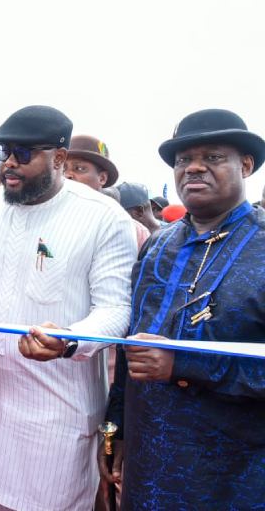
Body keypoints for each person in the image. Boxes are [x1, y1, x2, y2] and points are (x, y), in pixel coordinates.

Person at [0, 105, 137, 511]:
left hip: (57, 415)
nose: (9, 163)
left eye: (23, 154)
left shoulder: (104, 218)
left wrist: (69, 340)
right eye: (4, 151)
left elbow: (116, 310)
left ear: (59, 159)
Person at [103, 109, 265, 509]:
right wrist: (116, 429)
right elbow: (133, 347)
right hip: (147, 461)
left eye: (212, 157)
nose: (193, 168)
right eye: (182, 160)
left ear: (245, 165)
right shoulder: (158, 245)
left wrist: (184, 365)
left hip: (232, 473)